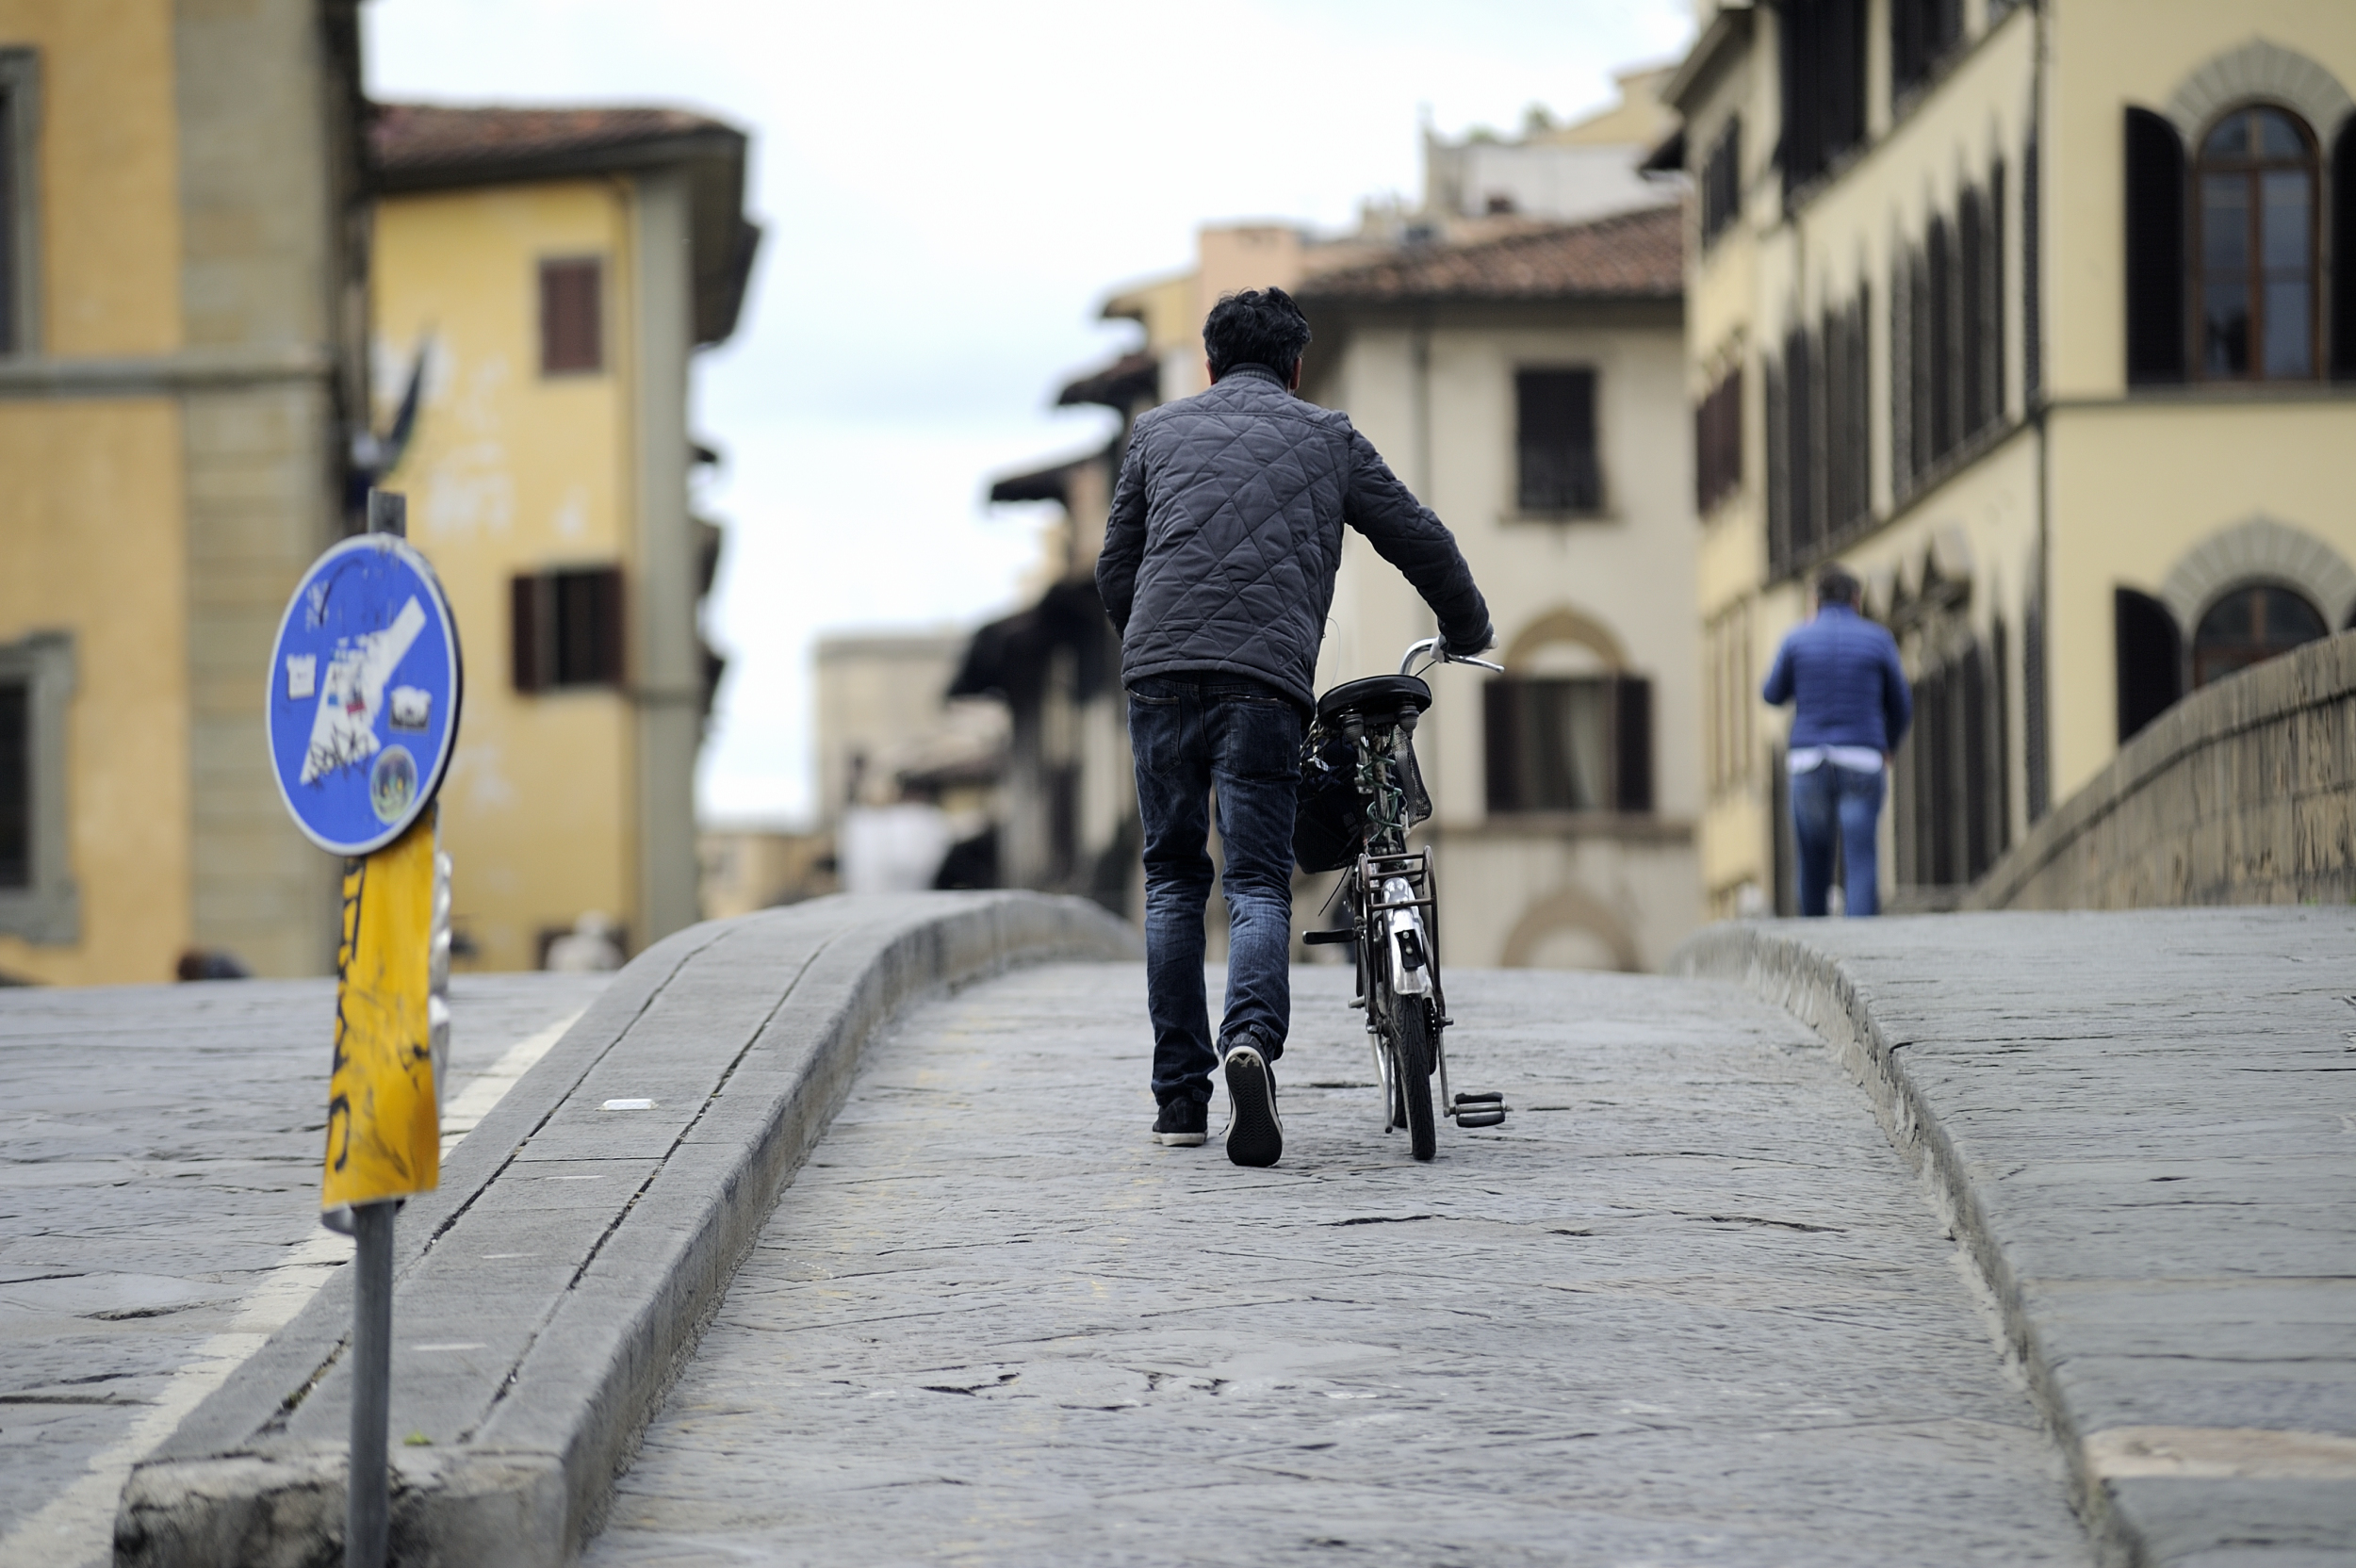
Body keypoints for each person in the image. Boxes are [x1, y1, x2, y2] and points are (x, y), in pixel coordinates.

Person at [1096, 287, 1491, 1168]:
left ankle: (1180, 1100)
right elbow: (1417, 538)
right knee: (1257, 880)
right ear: (1297, 367)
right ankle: (1250, 1043)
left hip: (1158, 675)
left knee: (1172, 880)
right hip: (1264, 683)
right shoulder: (1329, 438)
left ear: (1209, 364)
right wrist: (1468, 626)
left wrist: (1156, 646)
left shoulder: (1154, 433)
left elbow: (1114, 569)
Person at [1761, 564, 1912, 917]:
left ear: (1814, 600)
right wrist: (1887, 745)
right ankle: (1859, 935)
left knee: (1813, 858)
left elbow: (1771, 693)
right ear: (1856, 600)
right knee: (1860, 857)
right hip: (1862, 756)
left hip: (1808, 759)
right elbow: (1902, 705)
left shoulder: (1796, 639)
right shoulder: (1878, 639)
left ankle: (1814, 933)